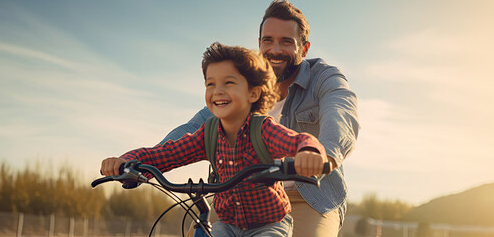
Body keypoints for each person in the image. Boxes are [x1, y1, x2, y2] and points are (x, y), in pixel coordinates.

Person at [159, 0, 360, 236]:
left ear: (304, 49)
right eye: (268, 40)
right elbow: (199, 124)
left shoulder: (323, 78)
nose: (275, 50)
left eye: (286, 42)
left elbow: (342, 110)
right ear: (259, 44)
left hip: (308, 197)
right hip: (238, 195)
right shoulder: (246, 82)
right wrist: (145, 162)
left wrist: (325, 154)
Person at [101, 42, 329, 237]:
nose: (217, 91)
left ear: (253, 93)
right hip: (228, 225)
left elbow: (297, 141)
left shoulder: (263, 129)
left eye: (228, 83)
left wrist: (309, 153)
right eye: (211, 84)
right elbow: (165, 154)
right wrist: (127, 161)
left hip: (269, 224)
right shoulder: (208, 134)